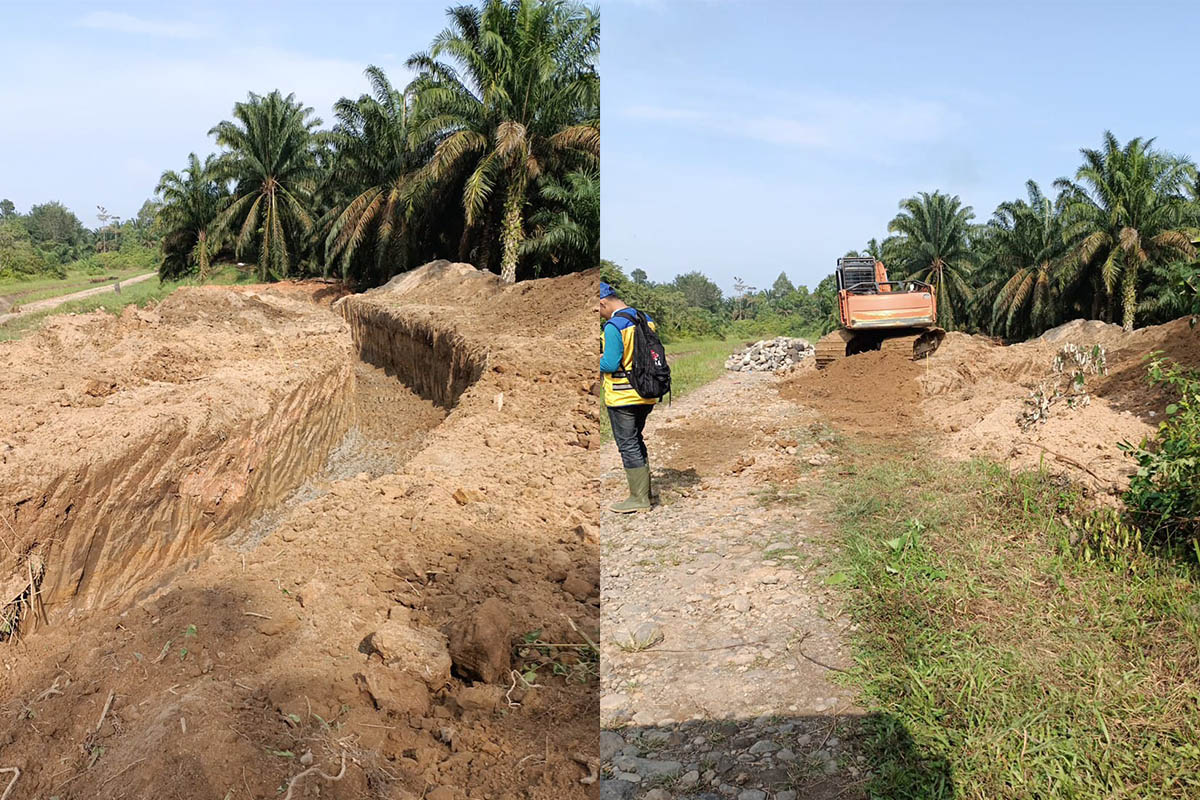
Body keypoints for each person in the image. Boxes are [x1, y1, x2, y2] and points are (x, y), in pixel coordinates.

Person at [594, 281, 657, 513]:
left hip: (622, 396)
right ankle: (644, 492)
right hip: (646, 392)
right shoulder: (645, 318)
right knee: (636, 439)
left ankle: (639, 498)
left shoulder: (614, 326)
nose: (599, 316)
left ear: (603, 302)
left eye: (597, 310)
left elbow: (610, 363)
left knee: (627, 444)